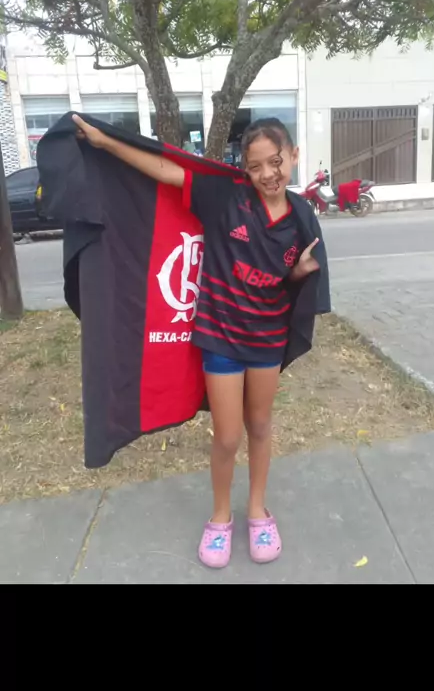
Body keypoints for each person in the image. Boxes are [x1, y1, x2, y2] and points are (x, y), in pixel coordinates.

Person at [72, 113, 322, 569]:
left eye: (276, 161)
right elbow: (166, 171)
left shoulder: (303, 217)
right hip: (221, 338)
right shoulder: (225, 198)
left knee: (260, 426)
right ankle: (220, 516)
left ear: (293, 156)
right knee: (227, 436)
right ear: (244, 170)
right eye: (256, 166)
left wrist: (299, 273)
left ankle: (258, 512)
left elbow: (291, 282)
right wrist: (106, 144)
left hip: (267, 340)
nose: (268, 174)